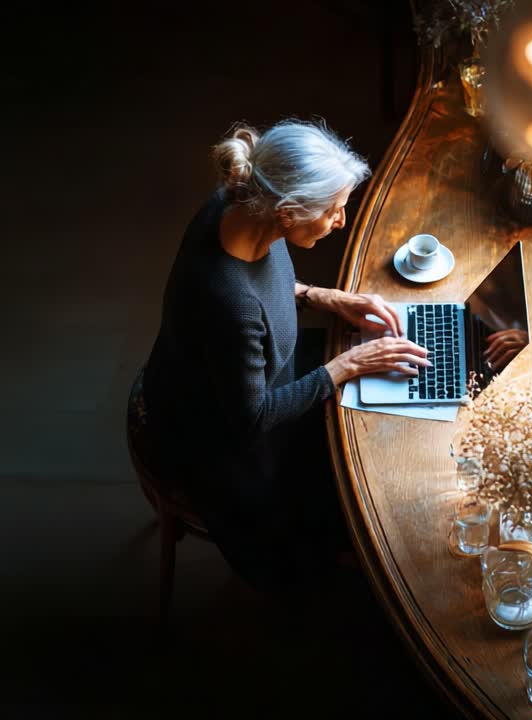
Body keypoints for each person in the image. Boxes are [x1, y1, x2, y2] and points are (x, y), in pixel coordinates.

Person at [138, 120, 431, 592]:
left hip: (238, 376)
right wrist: (348, 365)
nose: (341, 221)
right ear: (288, 214)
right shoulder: (231, 305)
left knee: (367, 420)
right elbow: (251, 417)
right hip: (217, 438)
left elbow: (263, 284)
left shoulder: (238, 204)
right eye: (333, 211)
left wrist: (322, 296)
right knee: (351, 501)